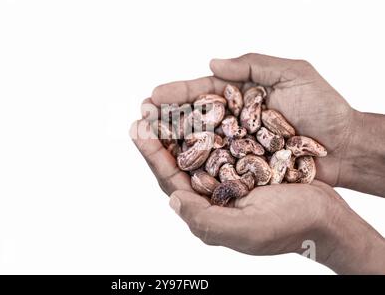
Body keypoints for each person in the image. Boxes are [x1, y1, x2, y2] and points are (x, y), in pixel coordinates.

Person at [130, 53, 385, 274]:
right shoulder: (222, 145)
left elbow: (263, 148)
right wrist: (353, 139)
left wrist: (326, 229)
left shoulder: (258, 143)